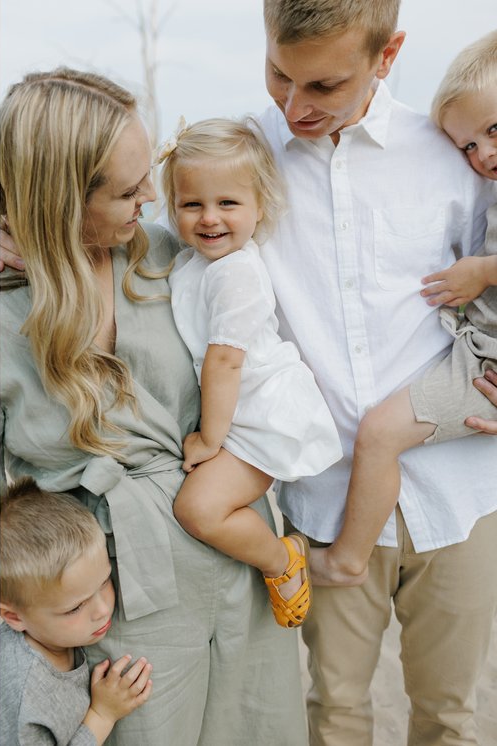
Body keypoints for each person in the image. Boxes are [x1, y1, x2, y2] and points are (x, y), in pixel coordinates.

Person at [0, 67, 306, 743]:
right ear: (60, 198)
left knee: (261, 726)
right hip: (114, 584)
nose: (152, 196)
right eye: (128, 187)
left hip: (231, 546)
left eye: (150, 174)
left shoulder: (178, 258)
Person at [255, 2, 497, 742]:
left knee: (450, 716)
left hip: (460, 490)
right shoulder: (242, 154)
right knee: (333, 714)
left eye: (323, 86)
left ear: (387, 55)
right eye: (277, 75)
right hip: (325, 498)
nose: (295, 105)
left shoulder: (455, 153)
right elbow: (145, 253)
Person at [310, 28, 497, 589]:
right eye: (467, 146)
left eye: (493, 132)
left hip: (484, 361)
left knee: (380, 433)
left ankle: (345, 559)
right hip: (475, 344)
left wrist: (481, 272)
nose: (483, 154)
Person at [160, 117, 342, 627]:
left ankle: (283, 561)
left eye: (228, 203)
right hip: (239, 412)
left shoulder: (236, 273)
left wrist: (207, 439)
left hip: (261, 416)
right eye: (192, 204)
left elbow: (225, 359)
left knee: (198, 509)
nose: (209, 218)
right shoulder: (196, 264)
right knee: (198, 506)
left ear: (260, 205)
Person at [0, 477, 152, 745]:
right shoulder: (28, 693)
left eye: (105, 582)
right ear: (13, 617)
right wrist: (101, 715)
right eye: (75, 607)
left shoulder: (55, 634)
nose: (102, 610)